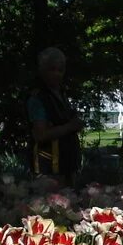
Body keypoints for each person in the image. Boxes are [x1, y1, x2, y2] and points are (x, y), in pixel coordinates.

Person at [28, 47, 84, 180]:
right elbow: (40, 135)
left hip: (67, 165)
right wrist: (70, 127)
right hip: (48, 168)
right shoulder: (38, 98)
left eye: (60, 70)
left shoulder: (61, 94)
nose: (57, 74)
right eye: (52, 69)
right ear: (42, 70)